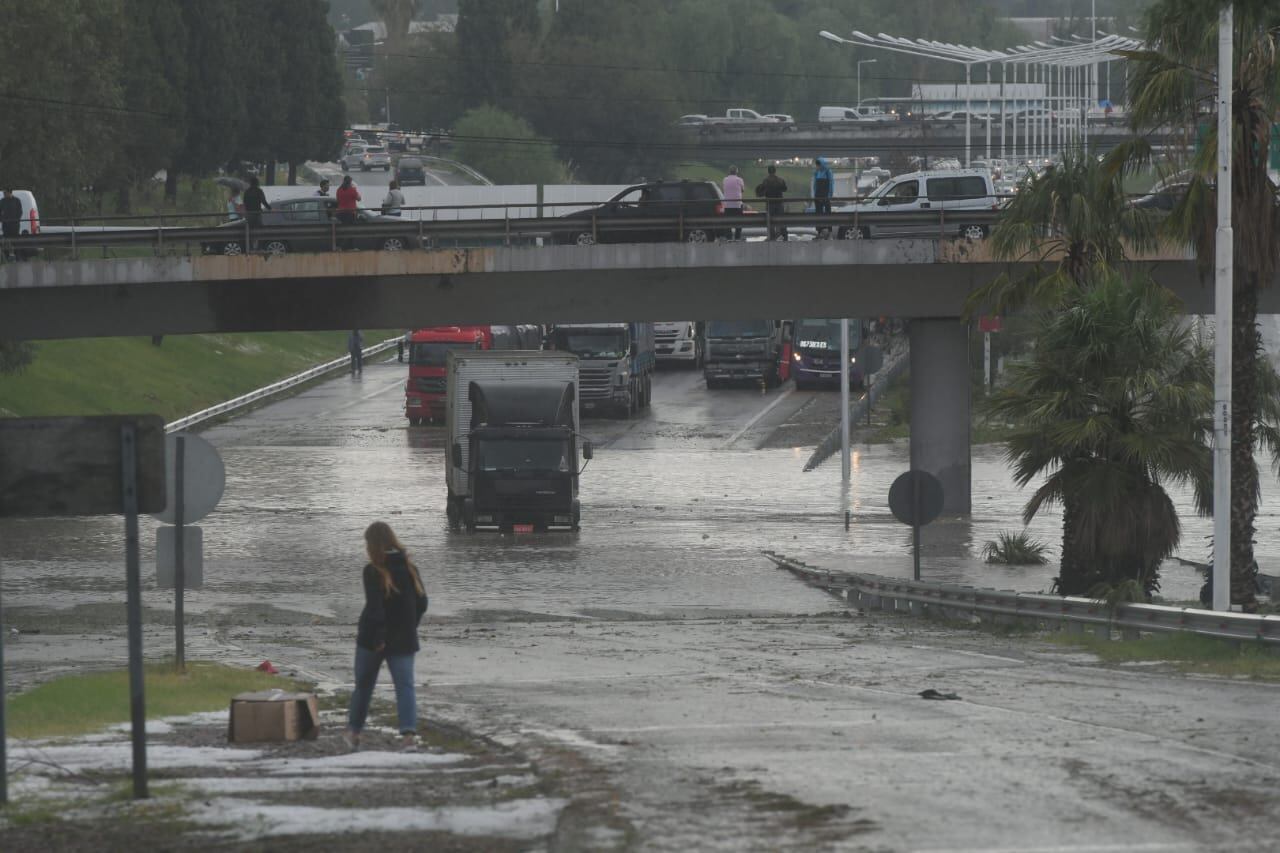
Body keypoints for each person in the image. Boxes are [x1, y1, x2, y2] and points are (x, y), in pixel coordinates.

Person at [345, 521, 428, 753]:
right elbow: (422, 603)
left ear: (372, 545)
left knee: (363, 686)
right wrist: (411, 625)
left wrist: (379, 637)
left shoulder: (372, 571)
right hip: (404, 639)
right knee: (405, 687)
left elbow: (375, 608)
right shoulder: (411, 569)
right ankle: (408, 736)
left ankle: (354, 732)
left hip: (372, 639)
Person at [755, 165, 788, 241]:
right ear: (775, 171)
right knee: (780, 219)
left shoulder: (765, 181)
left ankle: (772, 236)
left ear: (768, 171)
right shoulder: (780, 180)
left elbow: (761, 192)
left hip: (770, 203)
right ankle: (782, 235)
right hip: (779, 203)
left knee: (770, 221)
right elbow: (785, 189)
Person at [336, 175, 361, 250]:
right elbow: (359, 199)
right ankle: (349, 247)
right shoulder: (352, 190)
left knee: (342, 230)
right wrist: (356, 190)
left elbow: (338, 200)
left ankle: (339, 246)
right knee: (350, 230)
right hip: (350, 213)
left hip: (340, 213)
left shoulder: (339, 190)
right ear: (350, 182)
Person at [812, 157, 834, 238]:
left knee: (828, 213)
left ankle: (830, 231)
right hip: (817, 195)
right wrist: (814, 195)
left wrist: (830, 194)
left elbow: (831, 183)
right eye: (817, 165)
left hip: (825, 195)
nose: (817, 167)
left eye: (818, 165)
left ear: (822, 164)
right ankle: (819, 231)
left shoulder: (828, 172)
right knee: (818, 214)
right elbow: (815, 184)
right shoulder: (816, 172)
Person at [722, 166, 745, 240]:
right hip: (737, 205)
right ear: (736, 172)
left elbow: (724, 189)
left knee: (727, 223)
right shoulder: (740, 180)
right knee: (739, 222)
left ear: (729, 171)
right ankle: (737, 238)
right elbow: (742, 190)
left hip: (727, 205)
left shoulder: (725, 179)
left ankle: (729, 238)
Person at [0, 189, 23, 260]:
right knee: (6, 240)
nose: (4, 195)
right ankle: (7, 256)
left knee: (16, 240)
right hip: (6, 225)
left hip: (15, 225)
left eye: (5, 193)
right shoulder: (2, 201)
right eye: (4, 193)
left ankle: (18, 256)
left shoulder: (16, 200)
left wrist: (16, 220)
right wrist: (2, 219)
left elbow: (20, 212)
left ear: (10, 193)